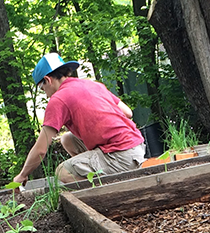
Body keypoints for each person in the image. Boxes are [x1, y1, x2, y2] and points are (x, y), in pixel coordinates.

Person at [13, 53, 146, 186]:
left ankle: (107, 190)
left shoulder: (58, 99)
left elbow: (41, 149)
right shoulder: (93, 84)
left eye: (43, 89)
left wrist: (22, 175)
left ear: (48, 80)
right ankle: (100, 173)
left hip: (120, 155)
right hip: (136, 146)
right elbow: (128, 113)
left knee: (62, 172)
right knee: (67, 139)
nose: (46, 95)